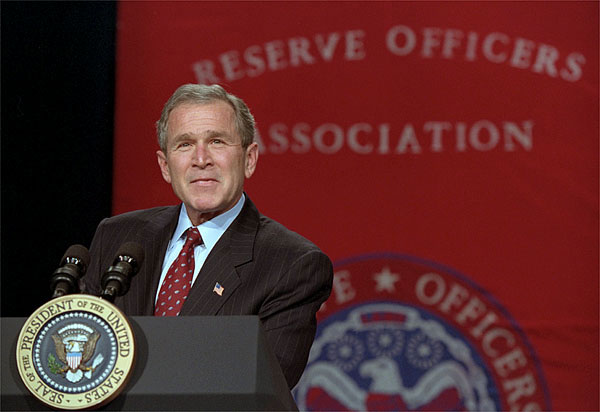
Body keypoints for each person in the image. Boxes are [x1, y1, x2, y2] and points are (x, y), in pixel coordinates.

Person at [81, 84, 333, 388]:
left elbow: (261, 391)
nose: (201, 159)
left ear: (249, 158)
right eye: (185, 144)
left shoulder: (291, 264)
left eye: (217, 141)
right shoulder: (117, 236)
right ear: (165, 166)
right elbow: (81, 358)